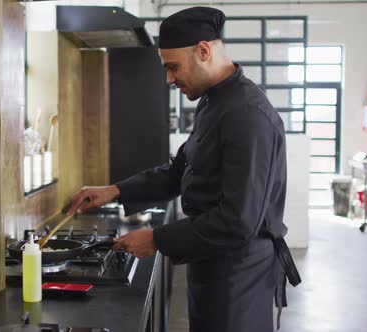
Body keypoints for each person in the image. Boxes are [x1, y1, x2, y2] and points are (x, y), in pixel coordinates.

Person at [66, 6, 301, 332]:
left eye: (173, 67)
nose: (168, 79)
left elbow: (237, 221)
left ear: (204, 51)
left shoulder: (247, 115)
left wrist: (157, 239)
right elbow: (180, 169)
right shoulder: (213, 103)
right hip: (212, 266)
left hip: (239, 277)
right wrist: (114, 192)